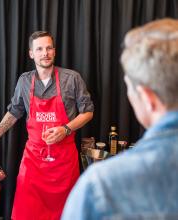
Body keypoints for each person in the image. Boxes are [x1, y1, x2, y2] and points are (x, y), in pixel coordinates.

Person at [61, 18, 178, 220]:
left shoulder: (101, 186)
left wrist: (65, 129)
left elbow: (87, 111)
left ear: (148, 99)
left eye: (129, 87)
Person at [0, 31, 94, 220]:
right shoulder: (25, 81)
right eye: (39, 49)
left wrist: (65, 129)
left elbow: (88, 112)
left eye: (49, 48)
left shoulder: (72, 78)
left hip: (64, 162)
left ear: (54, 51)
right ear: (31, 54)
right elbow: (14, 112)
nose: (45, 53)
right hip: (33, 161)